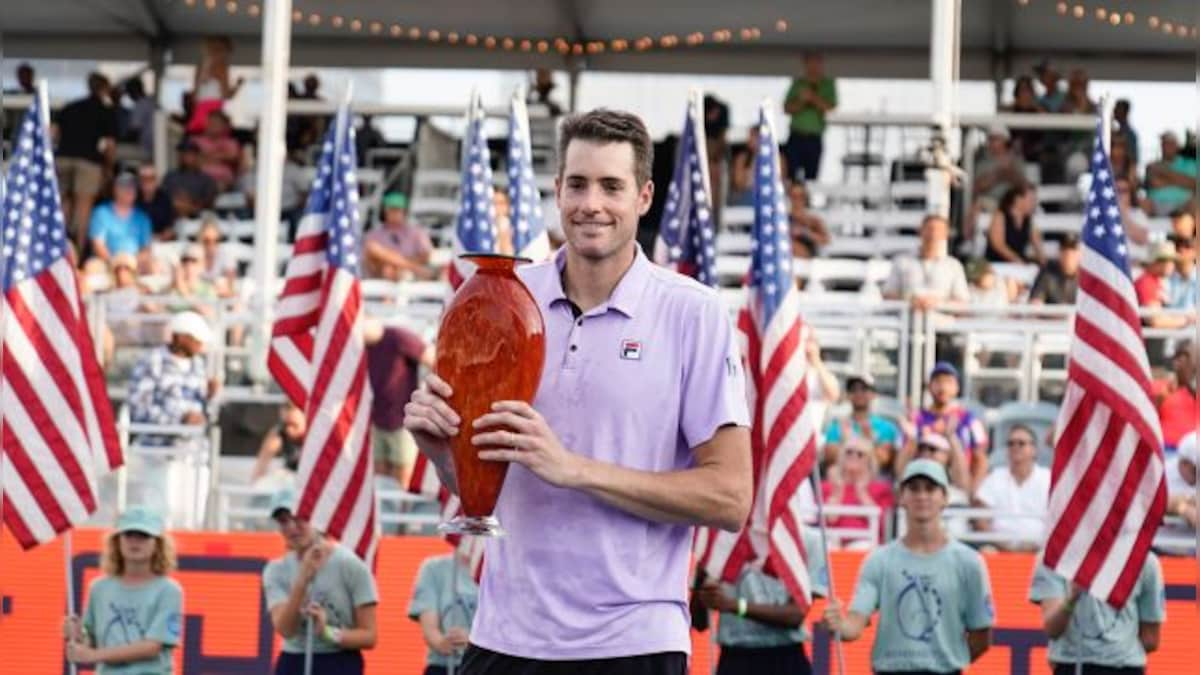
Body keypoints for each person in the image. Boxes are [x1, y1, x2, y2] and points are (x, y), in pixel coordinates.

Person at [404, 108, 753, 671]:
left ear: (643, 196)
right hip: (504, 636)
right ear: (557, 190)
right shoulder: (505, 297)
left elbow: (730, 498)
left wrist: (575, 468)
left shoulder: (695, 313)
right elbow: (487, 482)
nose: (592, 203)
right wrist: (444, 454)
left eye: (611, 186)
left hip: (633, 643)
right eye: (578, 184)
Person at [823, 459, 994, 674]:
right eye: (913, 489)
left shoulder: (969, 562)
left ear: (945, 497)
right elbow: (855, 623)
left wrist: (949, 662)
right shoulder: (879, 561)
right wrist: (840, 624)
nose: (922, 496)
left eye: (930, 489)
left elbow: (982, 635)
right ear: (902, 497)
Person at [262, 488, 378, 675]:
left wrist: (327, 632)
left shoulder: (350, 565)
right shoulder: (276, 570)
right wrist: (302, 580)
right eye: (283, 521)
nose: (292, 527)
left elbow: (369, 636)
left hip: (339, 660)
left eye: (299, 517)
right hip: (294, 660)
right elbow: (285, 629)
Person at [63, 506, 183, 674]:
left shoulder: (169, 591)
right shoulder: (99, 588)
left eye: (143, 536)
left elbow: (152, 647)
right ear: (117, 541)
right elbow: (90, 638)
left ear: (158, 544)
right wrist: (77, 632)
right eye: (128, 535)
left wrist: (93, 655)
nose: (135, 541)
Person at [696, 527, 829, 675]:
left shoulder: (809, 540)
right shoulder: (722, 541)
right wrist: (701, 576)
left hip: (786, 657)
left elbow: (795, 616)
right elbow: (699, 622)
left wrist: (733, 605)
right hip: (734, 658)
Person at [1029, 553, 1165, 674]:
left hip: (1087, 664)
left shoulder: (1146, 561)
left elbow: (1151, 640)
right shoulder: (1051, 556)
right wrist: (1073, 597)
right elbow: (1052, 630)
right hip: (1079, 665)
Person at [365, 319, 434, 487]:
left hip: (403, 420)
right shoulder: (360, 346)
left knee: (403, 474)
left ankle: (402, 509)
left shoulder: (398, 337)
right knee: (378, 472)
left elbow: (433, 358)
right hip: (377, 419)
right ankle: (387, 510)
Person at [901, 362, 989, 493]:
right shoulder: (916, 418)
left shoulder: (969, 419)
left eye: (948, 382)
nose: (942, 387)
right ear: (929, 386)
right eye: (937, 381)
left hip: (958, 486)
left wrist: (973, 491)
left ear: (957, 387)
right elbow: (901, 464)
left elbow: (981, 458)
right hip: (920, 485)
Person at [54, 72, 118, 250]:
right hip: (88, 161)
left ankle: (57, 248)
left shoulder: (70, 107)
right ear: (104, 88)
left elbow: (54, 134)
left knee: (62, 204)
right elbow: (110, 145)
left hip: (63, 157)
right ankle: (78, 255)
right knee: (84, 208)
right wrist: (109, 168)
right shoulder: (105, 110)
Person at [970, 424, 1050, 552]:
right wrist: (1001, 544)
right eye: (1010, 443)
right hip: (998, 548)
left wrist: (1035, 546)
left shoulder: (1048, 478)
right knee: (986, 552)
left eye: (1021, 443)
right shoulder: (995, 477)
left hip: (1040, 549)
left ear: (1034, 450)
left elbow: (1057, 519)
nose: (1015, 447)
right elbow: (980, 517)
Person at [408, 547, 479, 675]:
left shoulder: (500, 573)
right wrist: (442, 642)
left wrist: (473, 641)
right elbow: (430, 628)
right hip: (443, 667)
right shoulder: (433, 568)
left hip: (483, 665)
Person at [882, 214, 970, 311]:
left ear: (946, 234)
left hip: (942, 321)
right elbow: (888, 295)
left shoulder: (953, 265)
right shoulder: (902, 261)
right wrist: (910, 301)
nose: (933, 234)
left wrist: (937, 303)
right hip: (907, 319)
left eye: (938, 230)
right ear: (920, 231)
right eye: (929, 229)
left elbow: (962, 302)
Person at [823, 373, 902, 478]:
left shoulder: (887, 427)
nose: (858, 393)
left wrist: (863, 441)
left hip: (874, 485)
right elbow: (830, 457)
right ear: (847, 395)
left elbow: (883, 460)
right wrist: (868, 447)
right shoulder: (836, 426)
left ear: (874, 394)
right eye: (853, 389)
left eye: (864, 389)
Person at [821, 436, 894, 544]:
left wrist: (862, 493)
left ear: (869, 461)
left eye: (860, 454)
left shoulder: (882, 489)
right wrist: (837, 492)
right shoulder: (826, 487)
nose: (854, 456)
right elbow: (829, 520)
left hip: (867, 546)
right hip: (832, 545)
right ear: (841, 457)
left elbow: (884, 527)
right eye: (849, 452)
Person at [783, 52, 837, 181]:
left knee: (812, 176)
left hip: (814, 138)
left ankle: (807, 200)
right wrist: (801, 101)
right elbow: (787, 108)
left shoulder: (828, 84)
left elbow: (830, 108)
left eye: (817, 62)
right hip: (795, 136)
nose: (813, 66)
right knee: (791, 174)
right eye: (810, 63)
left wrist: (812, 98)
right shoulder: (798, 83)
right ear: (805, 64)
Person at [363, 192, 436, 280]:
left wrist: (399, 264)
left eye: (397, 210)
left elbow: (426, 254)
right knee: (375, 250)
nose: (394, 214)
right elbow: (370, 256)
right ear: (385, 212)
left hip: (409, 273)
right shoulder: (374, 234)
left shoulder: (416, 232)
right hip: (382, 272)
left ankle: (407, 268)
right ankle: (413, 269)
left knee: (390, 269)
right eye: (391, 210)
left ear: (404, 211)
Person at [88, 172, 154, 269]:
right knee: (91, 267)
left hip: (134, 262)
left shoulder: (142, 217)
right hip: (107, 261)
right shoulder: (101, 212)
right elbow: (98, 245)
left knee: (154, 266)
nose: (130, 190)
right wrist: (115, 263)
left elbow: (146, 248)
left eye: (133, 187)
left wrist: (131, 263)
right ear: (115, 189)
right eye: (124, 186)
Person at [187, 36, 243, 134]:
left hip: (200, 109)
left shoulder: (201, 67)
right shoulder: (221, 67)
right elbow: (227, 95)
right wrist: (238, 85)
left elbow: (194, 95)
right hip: (213, 110)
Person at [1152, 340, 1197, 452]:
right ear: (1176, 361)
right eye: (1186, 358)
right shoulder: (1160, 387)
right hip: (1168, 448)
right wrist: (1164, 394)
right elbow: (1147, 416)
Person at [985, 182, 1044, 264]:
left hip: (1018, 264)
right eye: (1031, 200)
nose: (1034, 204)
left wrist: (1042, 260)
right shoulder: (1001, 215)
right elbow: (998, 244)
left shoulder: (1028, 220)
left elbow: (1037, 243)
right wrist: (1017, 260)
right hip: (998, 263)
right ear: (1018, 199)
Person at [251, 402, 308, 483]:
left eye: (293, 425)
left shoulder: (315, 436)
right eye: (286, 424)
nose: (289, 430)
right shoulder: (279, 432)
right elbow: (262, 464)